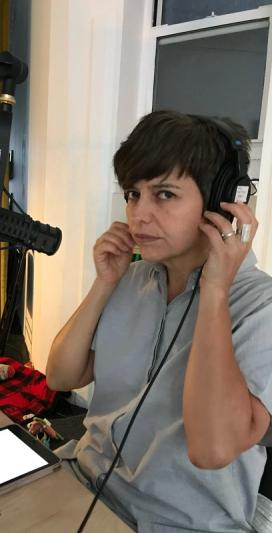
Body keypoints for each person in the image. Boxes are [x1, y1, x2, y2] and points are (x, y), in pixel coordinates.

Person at [46, 110, 272, 532]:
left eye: (164, 194)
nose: (138, 215)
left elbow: (213, 449)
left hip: (180, 523)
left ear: (225, 201)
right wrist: (104, 284)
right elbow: (61, 376)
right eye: (133, 194)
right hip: (84, 485)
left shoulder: (262, 308)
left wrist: (214, 292)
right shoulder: (130, 279)